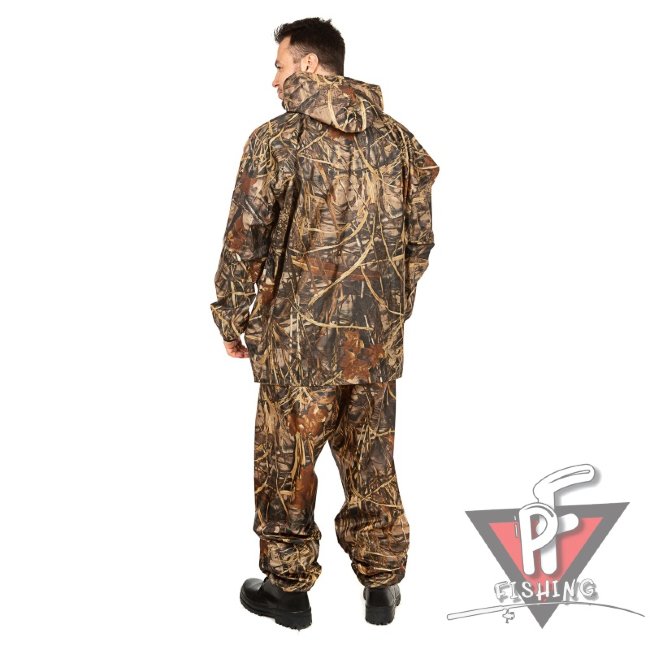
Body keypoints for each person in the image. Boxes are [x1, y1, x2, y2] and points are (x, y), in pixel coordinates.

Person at [210, 17, 440, 629]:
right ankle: (382, 585)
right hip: (373, 343)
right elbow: (420, 243)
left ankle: (288, 591)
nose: (274, 79)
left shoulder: (275, 141)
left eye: (281, 65)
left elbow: (244, 239)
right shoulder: (399, 142)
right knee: (371, 460)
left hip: (298, 345)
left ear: (309, 65)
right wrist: (386, 316)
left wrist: (233, 316)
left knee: (286, 465)